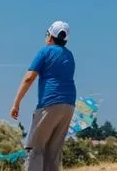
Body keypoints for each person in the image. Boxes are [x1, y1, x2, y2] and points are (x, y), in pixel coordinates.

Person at [10, 21, 76, 171]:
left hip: (50, 103)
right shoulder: (69, 55)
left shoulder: (45, 52)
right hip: (69, 104)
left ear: (50, 36)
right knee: (53, 152)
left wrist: (16, 103)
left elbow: (28, 78)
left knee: (35, 148)